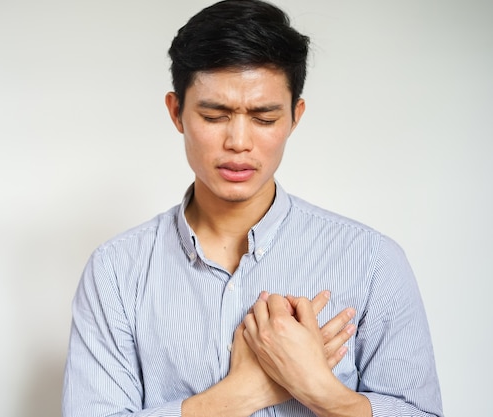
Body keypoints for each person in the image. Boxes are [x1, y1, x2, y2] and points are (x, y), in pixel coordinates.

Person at [62, 0, 444, 416]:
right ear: (177, 113)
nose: (239, 142)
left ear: (295, 117)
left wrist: (318, 388)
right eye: (214, 115)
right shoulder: (117, 271)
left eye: (264, 118)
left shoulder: (373, 261)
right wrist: (244, 392)